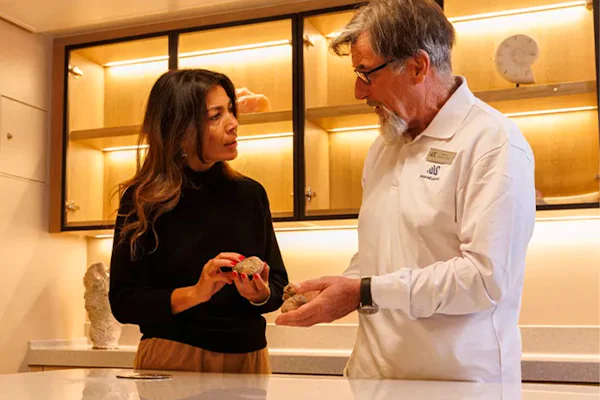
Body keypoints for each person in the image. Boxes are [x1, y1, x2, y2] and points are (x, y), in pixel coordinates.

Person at [276, 0, 535, 383]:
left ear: (417, 66)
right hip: (372, 380)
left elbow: (484, 279)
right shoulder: (385, 145)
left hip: (455, 385)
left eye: (366, 73)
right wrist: (341, 287)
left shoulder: (492, 142)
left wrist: (363, 291)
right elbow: (379, 254)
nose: (358, 91)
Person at [109, 69, 288, 374]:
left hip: (250, 358)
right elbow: (124, 302)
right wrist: (196, 292)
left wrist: (260, 294)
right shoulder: (143, 200)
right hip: (173, 356)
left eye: (230, 110)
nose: (233, 124)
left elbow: (278, 285)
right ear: (178, 129)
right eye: (215, 116)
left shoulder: (251, 195)